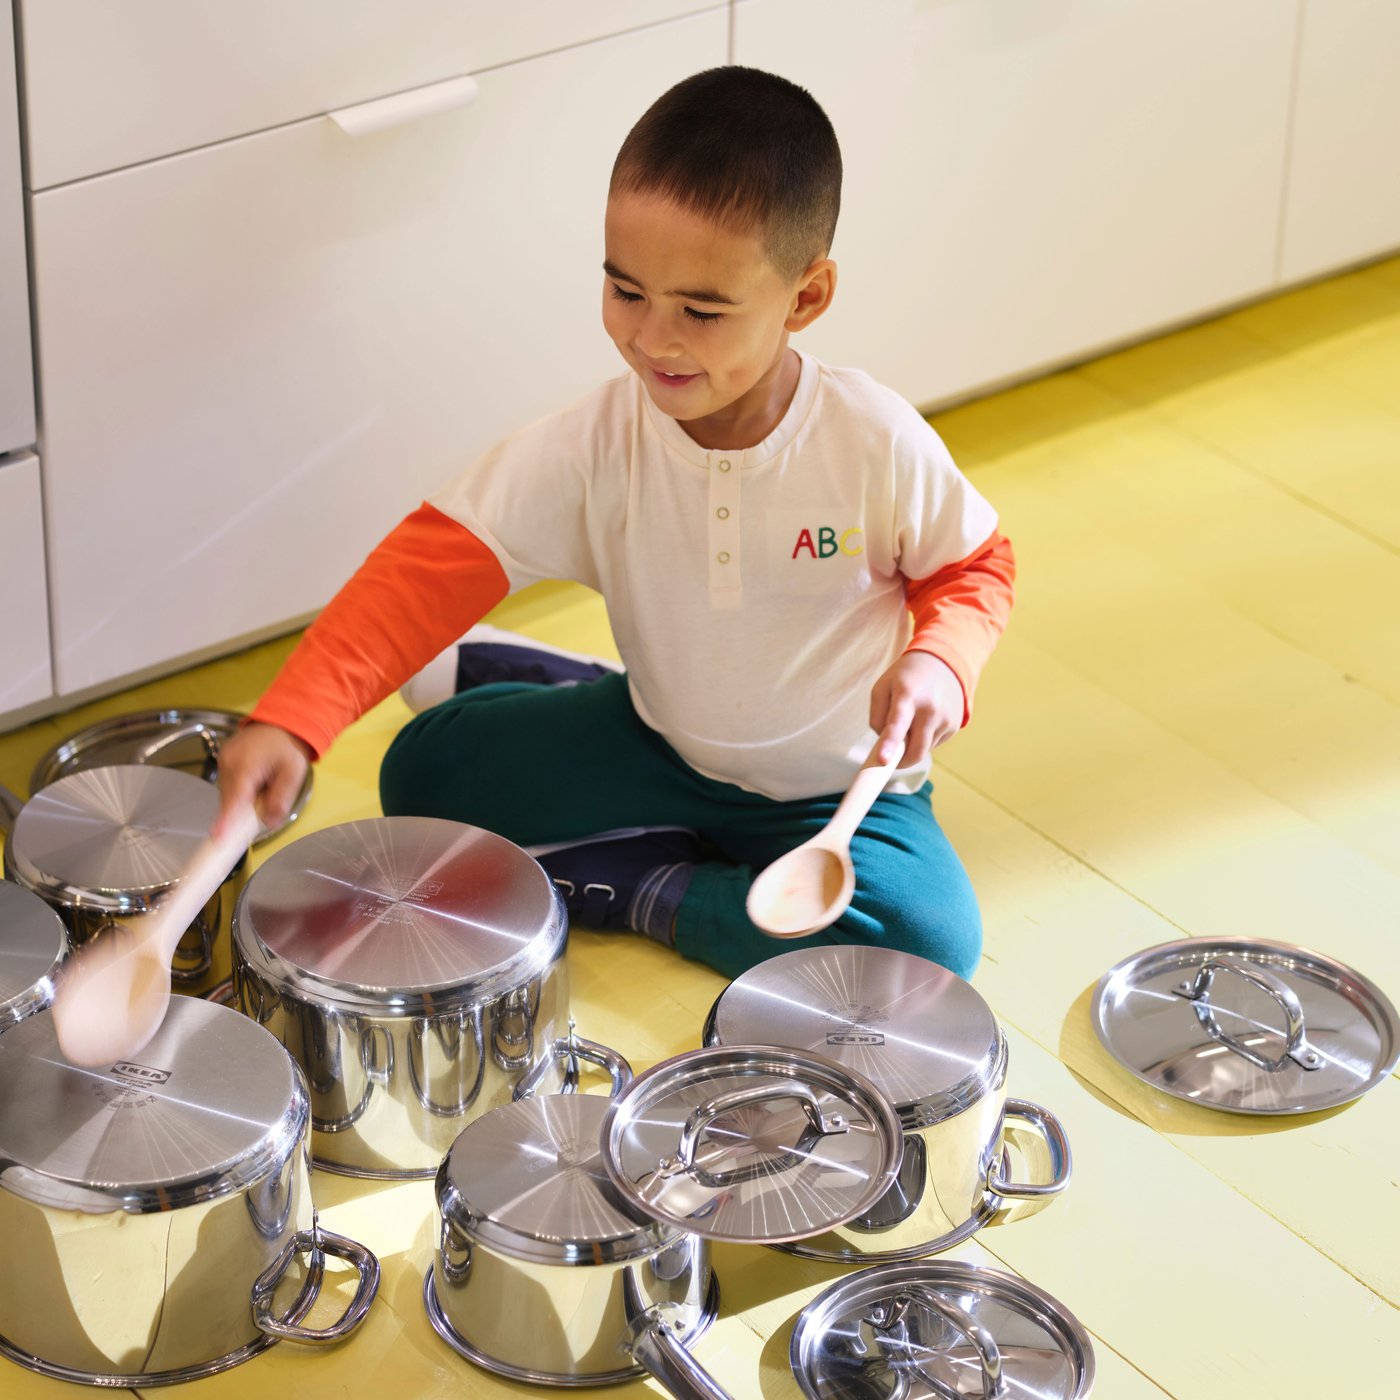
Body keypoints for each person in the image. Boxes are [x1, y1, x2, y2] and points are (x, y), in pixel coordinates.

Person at [215, 66, 1014, 982]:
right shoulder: (590, 447)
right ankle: (570, 704)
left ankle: (649, 887)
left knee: (929, 943)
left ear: (806, 297)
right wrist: (294, 721)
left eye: (703, 311)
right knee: (422, 775)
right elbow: (424, 574)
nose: (653, 339)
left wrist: (939, 663)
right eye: (626, 292)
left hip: (838, 793)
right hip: (659, 736)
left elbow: (976, 569)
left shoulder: (873, 441)